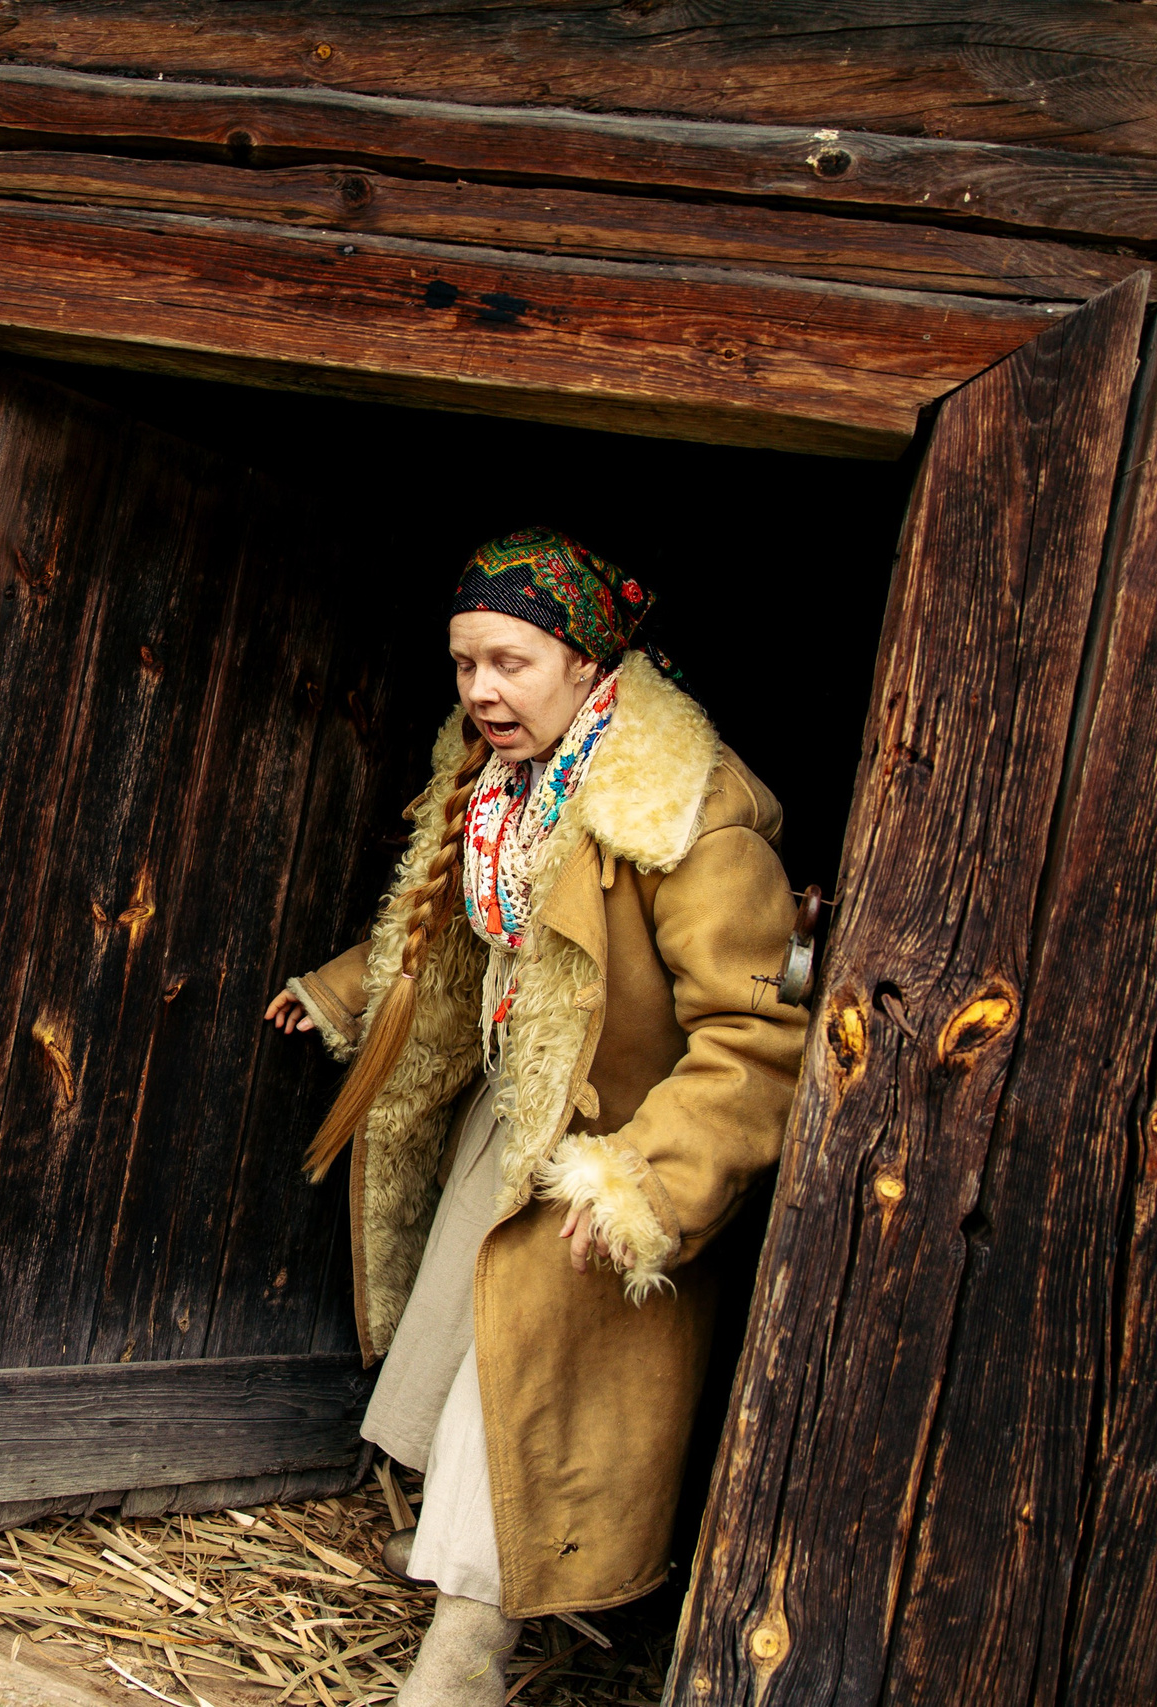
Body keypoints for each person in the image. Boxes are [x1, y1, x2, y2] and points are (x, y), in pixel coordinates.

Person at [264, 525, 806, 1707]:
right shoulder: (502, 780)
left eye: (507, 662)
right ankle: (453, 1571)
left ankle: (461, 1664)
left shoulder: (686, 817)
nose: (480, 690)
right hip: (514, 1118)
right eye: (464, 664)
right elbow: (453, 935)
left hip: (604, 1148)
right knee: (463, 1357)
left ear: (585, 661)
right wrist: (341, 993)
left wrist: (649, 1180)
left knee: (520, 1401)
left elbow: (758, 1035)